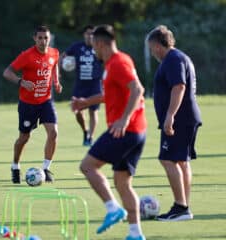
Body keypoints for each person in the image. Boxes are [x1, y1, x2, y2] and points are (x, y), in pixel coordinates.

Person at [72, 25, 147, 240]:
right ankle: (135, 233)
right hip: (137, 130)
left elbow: (137, 89)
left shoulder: (118, 63)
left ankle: (113, 208)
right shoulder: (117, 61)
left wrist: (123, 120)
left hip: (125, 130)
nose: (92, 49)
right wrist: (86, 102)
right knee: (122, 181)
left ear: (100, 44)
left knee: (87, 166)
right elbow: (111, 94)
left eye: (94, 44)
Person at [147, 25, 201, 221]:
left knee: (167, 159)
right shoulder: (178, 57)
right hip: (186, 117)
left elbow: (179, 87)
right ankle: (184, 206)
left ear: (158, 45)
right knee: (181, 161)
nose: (152, 52)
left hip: (180, 119)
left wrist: (170, 116)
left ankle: (180, 207)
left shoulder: (173, 59)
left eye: (151, 47)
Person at [3, 25, 62, 184]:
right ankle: (15, 166)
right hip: (28, 104)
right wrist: (21, 82)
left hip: (46, 101)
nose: (43, 41)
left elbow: (54, 65)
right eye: (40, 38)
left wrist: (56, 81)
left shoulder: (54, 53)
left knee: (54, 133)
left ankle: (46, 168)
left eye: (46, 38)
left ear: (49, 38)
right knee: (24, 137)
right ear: (35, 39)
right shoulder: (27, 56)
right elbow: (7, 72)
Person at [61, 25, 103, 146]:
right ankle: (85, 131)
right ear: (84, 35)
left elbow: (107, 61)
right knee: (77, 111)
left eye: (92, 34)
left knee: (93, 112)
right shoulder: (77, 47)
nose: (90, 36)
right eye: (88, 33)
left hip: (95, 84)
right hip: (80, 84)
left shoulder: (99, 47)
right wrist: (59, 68)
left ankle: (90, 136)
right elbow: (63, 56)